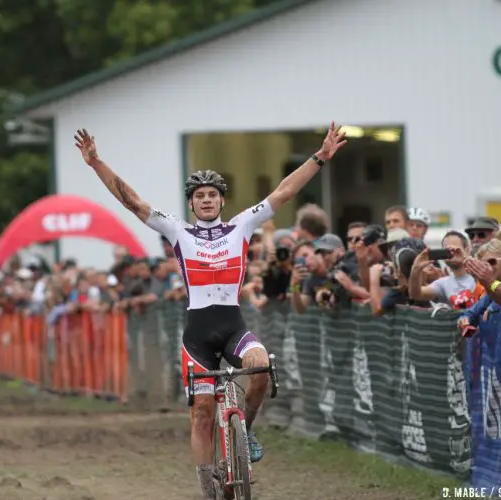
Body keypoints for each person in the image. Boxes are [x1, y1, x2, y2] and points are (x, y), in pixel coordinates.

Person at [73, 122, 347, 499]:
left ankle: (246, 430)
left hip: (233, 325)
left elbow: (284, 192)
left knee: (261, 366)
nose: (206, 200)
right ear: (191, 203)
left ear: (222, 200)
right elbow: (132, 202)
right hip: (197, 334)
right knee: (202, 410)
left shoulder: (242, 225)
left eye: (212, 195)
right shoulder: (177, 231)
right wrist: (96, 163)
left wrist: (320, 157)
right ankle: (208, 485)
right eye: (199, 195)